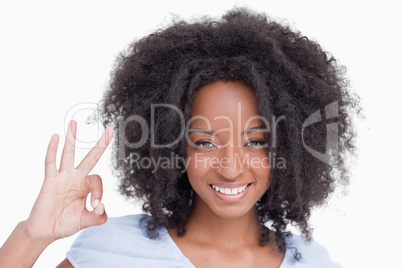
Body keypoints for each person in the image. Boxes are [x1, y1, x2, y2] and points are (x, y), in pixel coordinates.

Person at [0, 8, 360, 267]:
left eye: (255, 141)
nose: (231, 168)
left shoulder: (313, 262)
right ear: (173, 146)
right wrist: (33, 236)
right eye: (205, 142)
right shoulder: (113, 251)